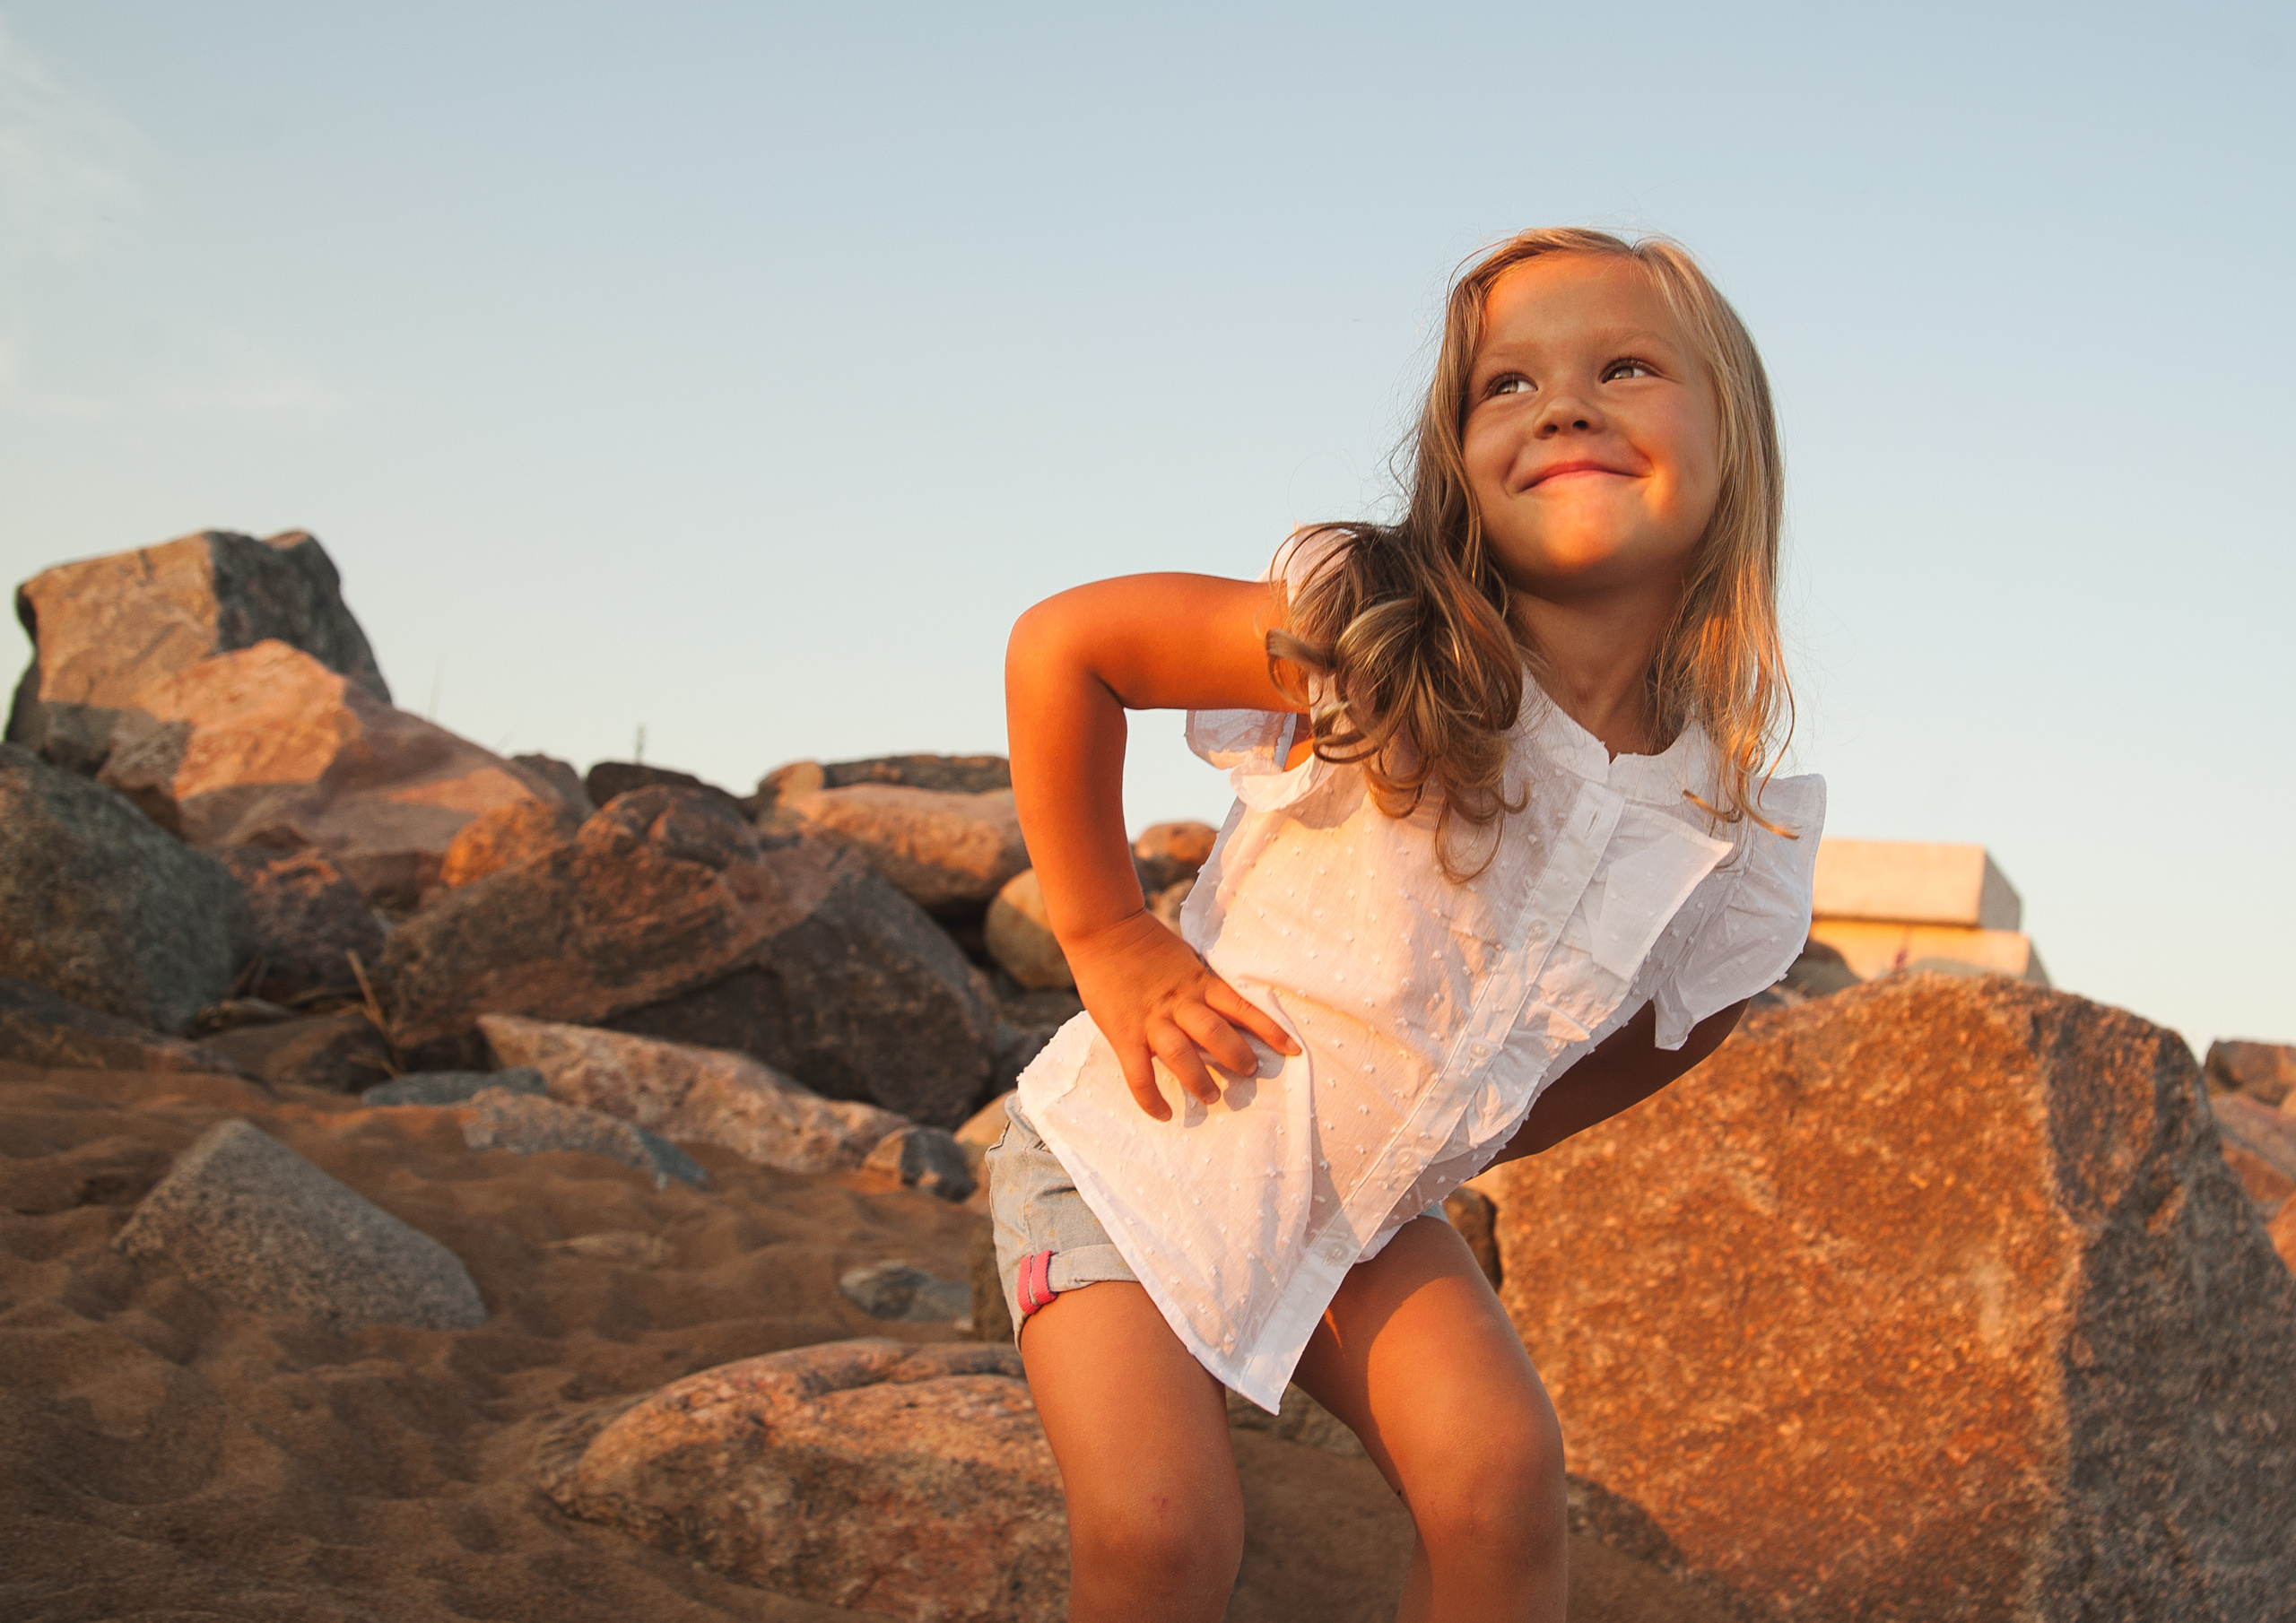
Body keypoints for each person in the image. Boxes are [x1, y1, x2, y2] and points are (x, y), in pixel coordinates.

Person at [993, 226, 1825, 1622]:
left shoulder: (1725, 835)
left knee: (1501, 1479)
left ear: (1733, 440)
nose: (1563, 403)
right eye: (1506, 385)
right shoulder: (1380, 633)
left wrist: (1479, 1122)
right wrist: (1110, 938)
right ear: (1457, 467)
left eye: (1624, 366)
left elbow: (1691, 1024)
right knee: (1163, 1529)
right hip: (1137, 1148)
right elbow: (1065, 646)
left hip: (1366, 1208)